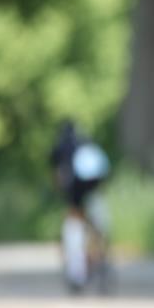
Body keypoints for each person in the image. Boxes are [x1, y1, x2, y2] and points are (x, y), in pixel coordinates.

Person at [49, 120, 111, 290]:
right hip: (95, 191)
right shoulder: (86, 146)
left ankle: (79, 271)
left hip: (75, 194)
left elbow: (59, 179)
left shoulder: (60, 151)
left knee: (74, 231)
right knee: (97, 230)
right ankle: (100, 257)